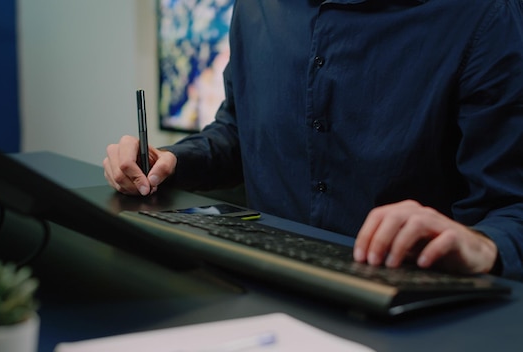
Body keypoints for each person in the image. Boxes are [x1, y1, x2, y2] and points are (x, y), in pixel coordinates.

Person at [104, 0, 523, 281]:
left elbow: (512, 204)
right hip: (259, 287)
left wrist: (485, 246)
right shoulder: (258, 9)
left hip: (411, 304)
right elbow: (240, 129)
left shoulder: (485, 17)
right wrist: (173, 160)